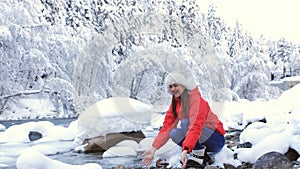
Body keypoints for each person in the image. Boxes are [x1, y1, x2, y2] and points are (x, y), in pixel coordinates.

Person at [142, 71, 226, 168]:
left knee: (186, 123)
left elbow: (195, 126)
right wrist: (153, 149)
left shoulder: (197, 100)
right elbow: (167, 127)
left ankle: (198, 155)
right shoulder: (176, 103)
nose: (173, 89)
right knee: (173, 133)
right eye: (170, 87)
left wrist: (186, 149)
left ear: (183, 85)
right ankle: (201, 153)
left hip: (215, 139)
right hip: (199, 138)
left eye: (175, 85)